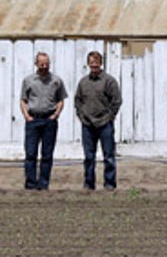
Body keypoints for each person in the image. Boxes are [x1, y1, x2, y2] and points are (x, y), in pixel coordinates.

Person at [75, 51, 123, 191]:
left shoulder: (109, 81)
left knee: (108, 156)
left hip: (104, 124)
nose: (94, 65)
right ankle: (89, 184)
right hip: (88, 125)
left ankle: (109, 184)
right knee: (89, 157)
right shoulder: (83, 82)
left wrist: (110, 116)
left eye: (96, 62)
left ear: (101, 63)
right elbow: (78, 100)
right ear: (88, 64)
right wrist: (81, 116)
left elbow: (116, 101)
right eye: (91, 62)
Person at [20, 52, 68, 190]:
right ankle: (30, 183)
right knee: (30, 153)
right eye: (41, 63)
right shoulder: (28, 80)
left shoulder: (56, 81)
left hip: (49, 120)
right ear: (36, 64)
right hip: (33, 120)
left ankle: (43, 184)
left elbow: (61, 100)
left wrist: (56, 114)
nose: (44, 66)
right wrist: (26, 116)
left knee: (47, 155)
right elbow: (23, 100)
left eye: (46, 63)